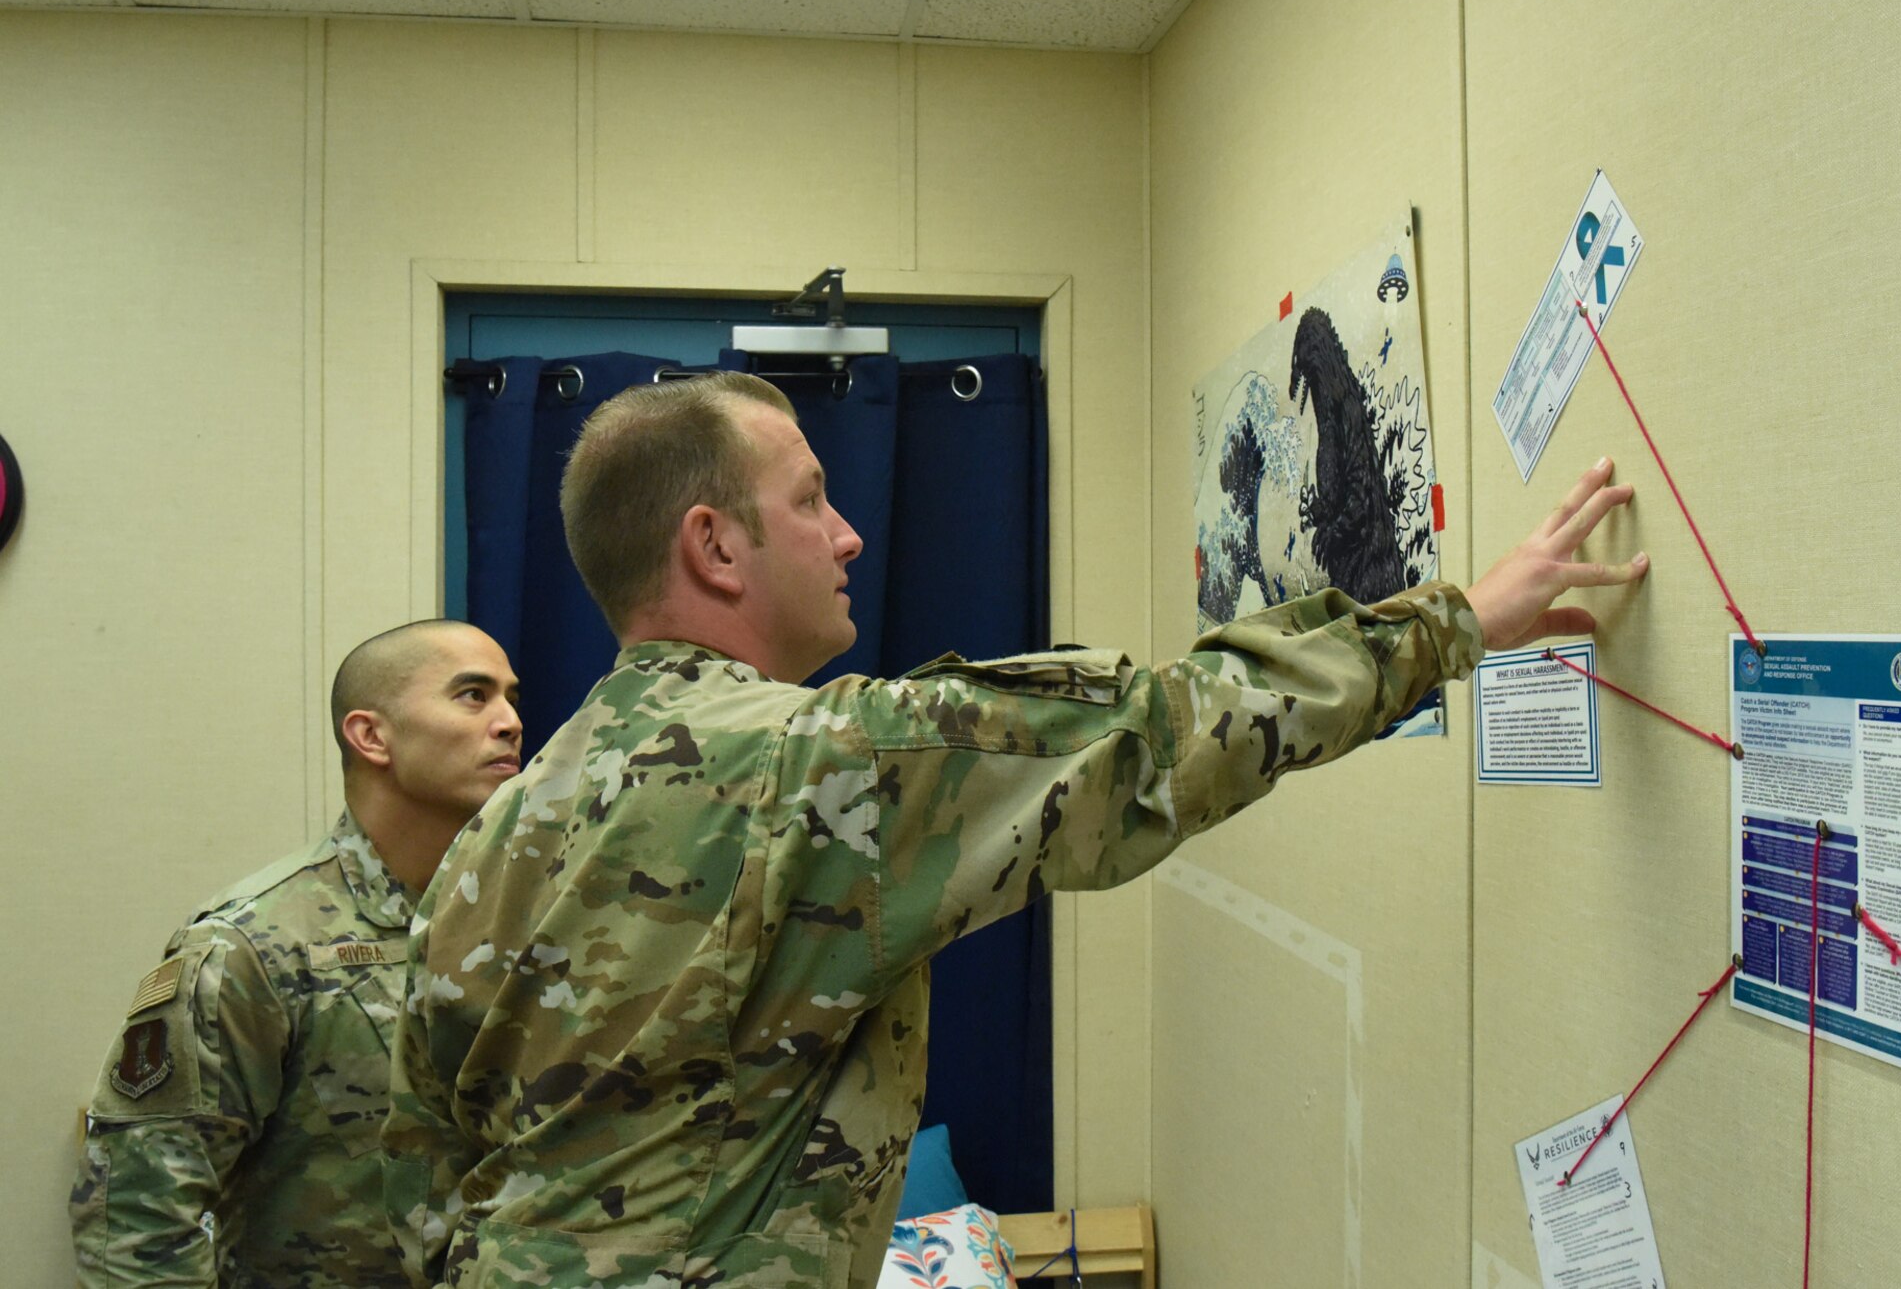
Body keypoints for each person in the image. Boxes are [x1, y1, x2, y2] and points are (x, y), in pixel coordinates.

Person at [381, 373, 1646, 1289]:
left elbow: (423, 1158)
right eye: (810, 498)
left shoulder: (503, 824)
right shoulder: (808, 765)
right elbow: (1160, 731)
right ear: (713, 545)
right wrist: (1458, 619)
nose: (848, 532)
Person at [71, 621, 523, 1287]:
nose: (510, 722)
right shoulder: (252, 944)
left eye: (512, 697)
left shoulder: (520, 925)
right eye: (472, 695)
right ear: (372, 736)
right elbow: (139, 1216)